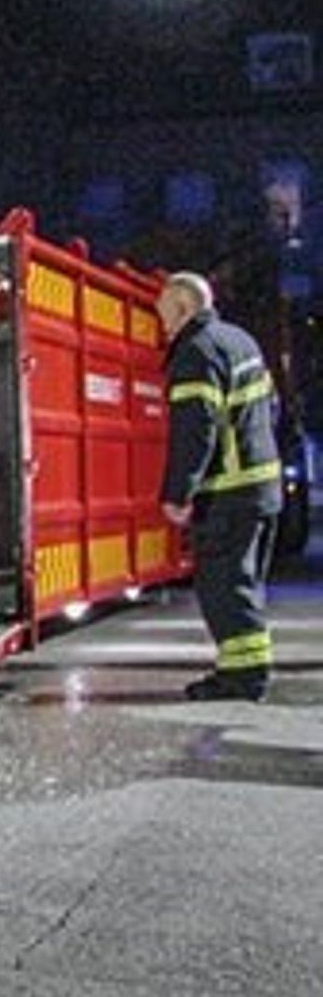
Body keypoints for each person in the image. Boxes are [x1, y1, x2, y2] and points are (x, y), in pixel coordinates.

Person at [157, 270, 282, 701]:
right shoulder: (241, 341)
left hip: (229, 493)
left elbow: (196, 430)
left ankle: (244, 679)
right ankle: (243, 671)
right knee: (243, 585)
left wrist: (178, 494)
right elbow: (273, 409)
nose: (164, 326)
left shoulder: (195, 351)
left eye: (166, 315)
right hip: (262, 488)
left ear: (185, 307)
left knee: (223, 588)